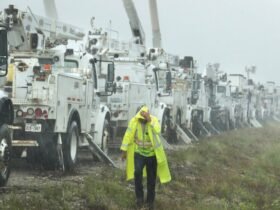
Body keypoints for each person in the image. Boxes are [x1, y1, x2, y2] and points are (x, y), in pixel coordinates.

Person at [120, 105, 171, 209]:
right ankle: (139, 198)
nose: (142, 118)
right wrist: (124, 150)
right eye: (141, 116)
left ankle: (150, 202)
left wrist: (149, 120)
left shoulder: (154, 120)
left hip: (152, 155)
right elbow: (128, 135)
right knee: (137, 172)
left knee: (151, 180)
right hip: (139, 154)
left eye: (144, 115)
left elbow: (157, 130)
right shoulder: (134, 122)